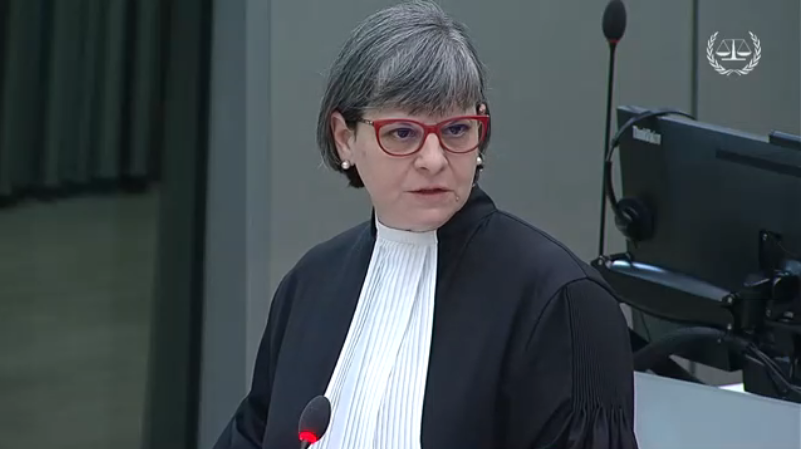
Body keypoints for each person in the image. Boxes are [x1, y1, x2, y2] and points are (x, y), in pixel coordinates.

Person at [213, 1, 639, 448]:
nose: (433, 160)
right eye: (403, 133)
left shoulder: (563, 302)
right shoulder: (309, 286)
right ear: (344, 138)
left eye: (456, 130)